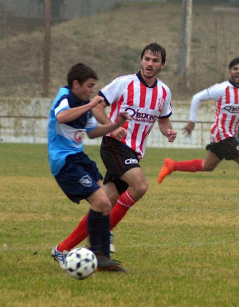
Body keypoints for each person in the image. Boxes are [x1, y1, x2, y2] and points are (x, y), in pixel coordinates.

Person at [51, 43, 177, 258]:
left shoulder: (164, 92)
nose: (149, 63)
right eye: (146, 59)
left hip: (134, 153)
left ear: (162, 65)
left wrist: (168, 132)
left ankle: (61, 249)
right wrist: (114, 125)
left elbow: (164, 121)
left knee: (105, 203)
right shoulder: (124, 83)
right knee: (140, 185)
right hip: (114, 145)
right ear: (141, 60)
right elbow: (98, 105)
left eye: (155, 60)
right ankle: (105, 234)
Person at [158, 57, 239, 210]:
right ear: (230, 71)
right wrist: (192, 121)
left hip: (229, 134)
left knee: (208, 166)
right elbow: (197, 98)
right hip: (222, 133)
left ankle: (172, 165)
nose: (238, 72)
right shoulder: (222, 89)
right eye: (235, 69)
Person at [48, 63, 130, 272]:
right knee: (102, 201)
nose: (93, 90)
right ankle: (97, 253)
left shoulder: (84, 103)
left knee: (105, 202)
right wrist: (91, 103)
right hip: (65, 162)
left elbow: (93, 132)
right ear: (76, 84)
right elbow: (62, 116)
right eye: (90, 86)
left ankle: (101, 255)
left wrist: (115, 124)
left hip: (79, 158)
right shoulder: (65, 97)